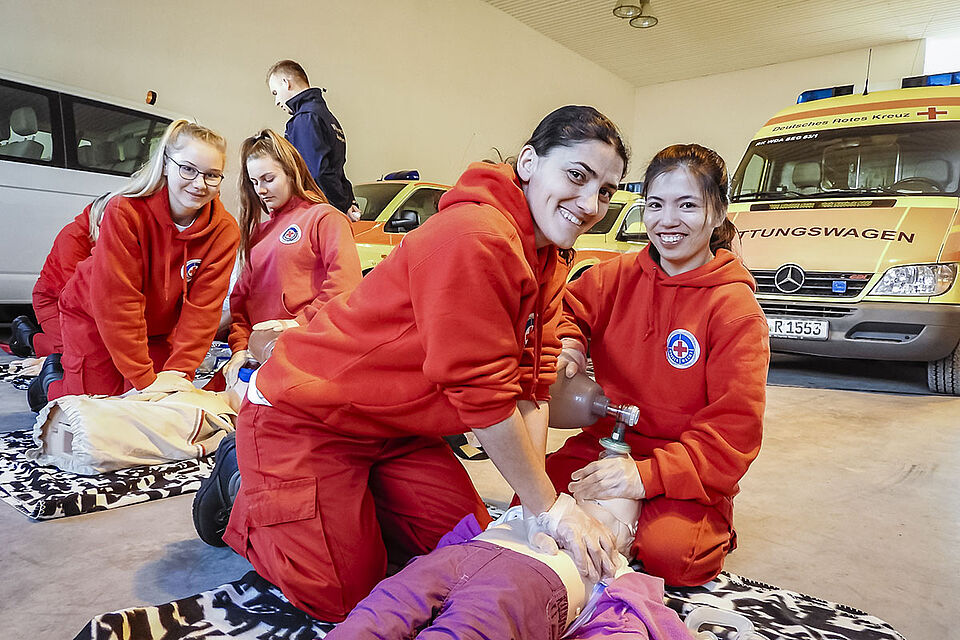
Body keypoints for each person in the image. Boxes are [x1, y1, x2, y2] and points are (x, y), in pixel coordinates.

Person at [215, 106, 630, 622]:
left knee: (467, 548)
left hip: (396, 427)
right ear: (528, 162)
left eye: (607, 190)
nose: (591, 204)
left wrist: (534, 506)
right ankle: (240, 482)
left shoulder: (549, 255)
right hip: (309, 415)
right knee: (341, 598)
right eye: (577, 175)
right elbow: (482, 395)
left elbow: (531, 387)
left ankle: (350, 506)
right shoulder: (474, 236)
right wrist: (553, 507)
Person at [548, 144, 769, 587]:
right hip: (606, 442)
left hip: (687, 461)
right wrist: (570, 342)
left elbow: (735, 430)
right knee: (530, 500)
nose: (667, 221)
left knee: (677, 559)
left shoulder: (734, 308)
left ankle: (704, 518)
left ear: (720, 212)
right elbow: (565, 308)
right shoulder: (615, 275)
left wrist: (644, 478)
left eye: (687, 205)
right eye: (655, 205)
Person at [325, 492, 693, 640]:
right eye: (581, 496)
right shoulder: (532, 510)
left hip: (522, 586)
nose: (587, 509)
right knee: (377, 613)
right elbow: (453, 540)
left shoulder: (618, 575)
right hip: (457, 559)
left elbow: (624, 627)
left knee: (466, 631)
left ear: (626, 548)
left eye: (607, 511)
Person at [47, 119, 240, 400]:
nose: (199, 184)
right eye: (188, 169)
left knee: (153, 408)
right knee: (97, 410)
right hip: (93, 317)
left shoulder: (224, 231)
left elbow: (203, 311)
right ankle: (49, 384)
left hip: (156, 330)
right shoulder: (125, 211)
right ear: (165, 164)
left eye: (212, 175)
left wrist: (179, 374)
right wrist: (143, 378)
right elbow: (117, 301)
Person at [219, 129, 362, 388]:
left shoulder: (324, 218)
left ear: (290, 172)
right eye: (254, 182)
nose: (260, 190)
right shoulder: (257, 234)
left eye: (268, 178)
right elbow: (241, 306)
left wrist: (297, 323)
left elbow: (345, 285)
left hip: (309, 356)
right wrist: (239, 348)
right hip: (259, 360)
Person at [266, 60, 360, 219]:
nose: (276, 102)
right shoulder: (328, 118)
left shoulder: (305, 118)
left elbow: (315, 173)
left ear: (286, 83)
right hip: (331, 209)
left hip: (315, 211)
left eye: (275, 93)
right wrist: (348, 201)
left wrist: (342, 205)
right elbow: (337, 171)